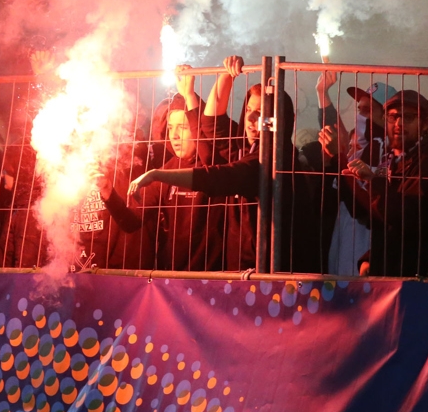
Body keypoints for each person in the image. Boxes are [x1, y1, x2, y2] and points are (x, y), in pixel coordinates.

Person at [130, 56, 321, 273]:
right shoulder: (246, 150)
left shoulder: (273, 159)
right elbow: (212, 125)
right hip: (243, 273)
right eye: (248, 109)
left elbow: (219, 176)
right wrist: (226, 75)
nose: (250, 119)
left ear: (280, 119)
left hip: (272, 278)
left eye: (260, 113)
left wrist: (157, 174)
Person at [96, 68, 225, 271]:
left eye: (182, 127)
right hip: (173, 276)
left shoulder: (217, 163)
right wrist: (108, 193)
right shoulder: (166, 170)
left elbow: (208, 154)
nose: (173, 135)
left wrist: (189, 94)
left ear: (196, 126)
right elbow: (131, 222)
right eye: (170, 127)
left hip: (216, 275)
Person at [344, 90, 428, 277]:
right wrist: (370, 257)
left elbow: (409, 216)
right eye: (392, 117)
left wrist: (373, 181)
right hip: (388, 271)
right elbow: (381, 221)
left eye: (408, 117)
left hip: (415, 274)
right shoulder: (393, 158)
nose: (399, 123)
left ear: (425, 124)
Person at [315, 77, 397, 275]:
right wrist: (321, 93)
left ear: (385, 114)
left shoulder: (390, 146)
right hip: (345, 223)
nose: (360, 115)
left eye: (367, 110)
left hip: (368, 229)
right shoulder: (360, 141)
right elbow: (336, 134)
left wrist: (339, 156)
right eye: (359, 109)